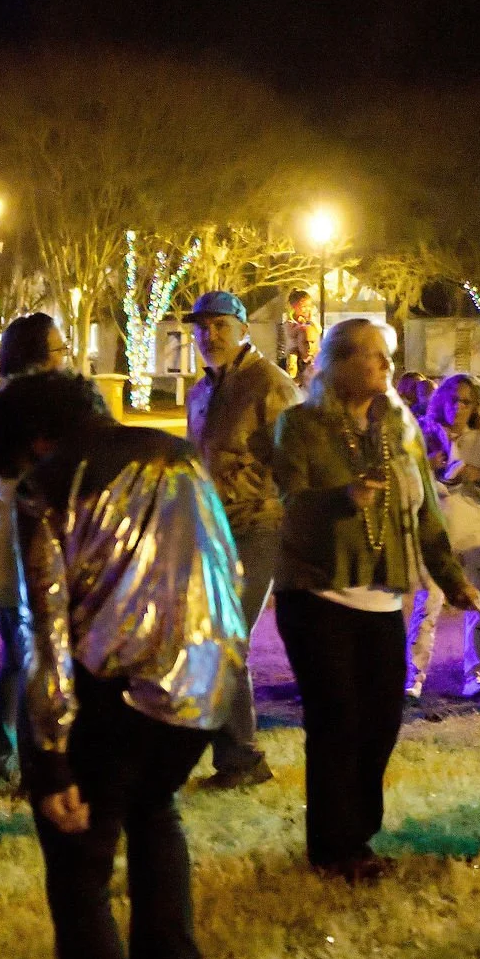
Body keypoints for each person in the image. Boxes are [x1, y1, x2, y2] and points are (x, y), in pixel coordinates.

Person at [0, 369, 247, 959]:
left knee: (80, 882)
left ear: (35, 438)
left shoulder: (49, 486)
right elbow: (225, 569)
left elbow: (44, 626)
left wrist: (52, 749)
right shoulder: (182, 459)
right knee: (157, 820)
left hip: (109, 696)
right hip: (198, 689)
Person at [273, 319, 480, 881]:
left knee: (382, 721)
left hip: (385, 598)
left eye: (388, 358)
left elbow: (425, 515)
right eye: (373, 357)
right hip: (320, 594)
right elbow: (285, 504)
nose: (386, 368)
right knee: (337, 720)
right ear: (338, 363)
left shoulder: (400, 425)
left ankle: (358, 835)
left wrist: (452, 577)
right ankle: (335, 848)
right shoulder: (299, 426)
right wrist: (341, 498)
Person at [184, 289, 300, 788]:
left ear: (243, 330)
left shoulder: (271, 386)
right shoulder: (199, 392)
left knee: (228, 638)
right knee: (210, 639)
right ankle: (232, 754)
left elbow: (297, 464)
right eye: (201, 328)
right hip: (211, 530)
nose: (209, 336)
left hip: (258, 527)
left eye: (220, 326)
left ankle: (243, 759)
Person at [0, 312, 68, 783]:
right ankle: (22, 760)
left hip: (5, 552)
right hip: (14, 554)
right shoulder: (20, 412)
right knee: (28, 661)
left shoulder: (11, 404)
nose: (65, 361)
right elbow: (26, 484)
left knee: (18, 659)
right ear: (35, 359)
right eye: (58, 352)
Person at [408, 373, 480, 700]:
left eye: (466, 401)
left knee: (477, 606)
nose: (459, 406)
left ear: (476, 405)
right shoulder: (425, 435)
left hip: (472, 533)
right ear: (441, 400)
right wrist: (429, 468)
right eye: (453, 399)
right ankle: (414, 678)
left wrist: (474, 474)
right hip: (437, 535)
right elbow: (409, 486)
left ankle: (473, 676)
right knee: (427, 607)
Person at [279, 289, 317, 379]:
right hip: (295, 349)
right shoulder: (290, 321)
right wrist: (301, 326)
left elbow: (317, 330)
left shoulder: (311, 320)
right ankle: (292, 378)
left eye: (308, 306)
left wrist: (310, 321)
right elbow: (291, 333)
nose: (306, 309)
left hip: (308, 349)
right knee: (292, 359)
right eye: (303, 306)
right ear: (294, 307)